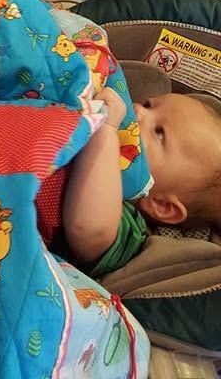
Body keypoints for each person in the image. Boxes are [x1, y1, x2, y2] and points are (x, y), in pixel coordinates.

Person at [63, 90, 221, 275]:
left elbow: (89, 232)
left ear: (162, 206)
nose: (137, 110)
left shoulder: (129, 228)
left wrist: (107, 130)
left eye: (159, 132)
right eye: (148, 104)